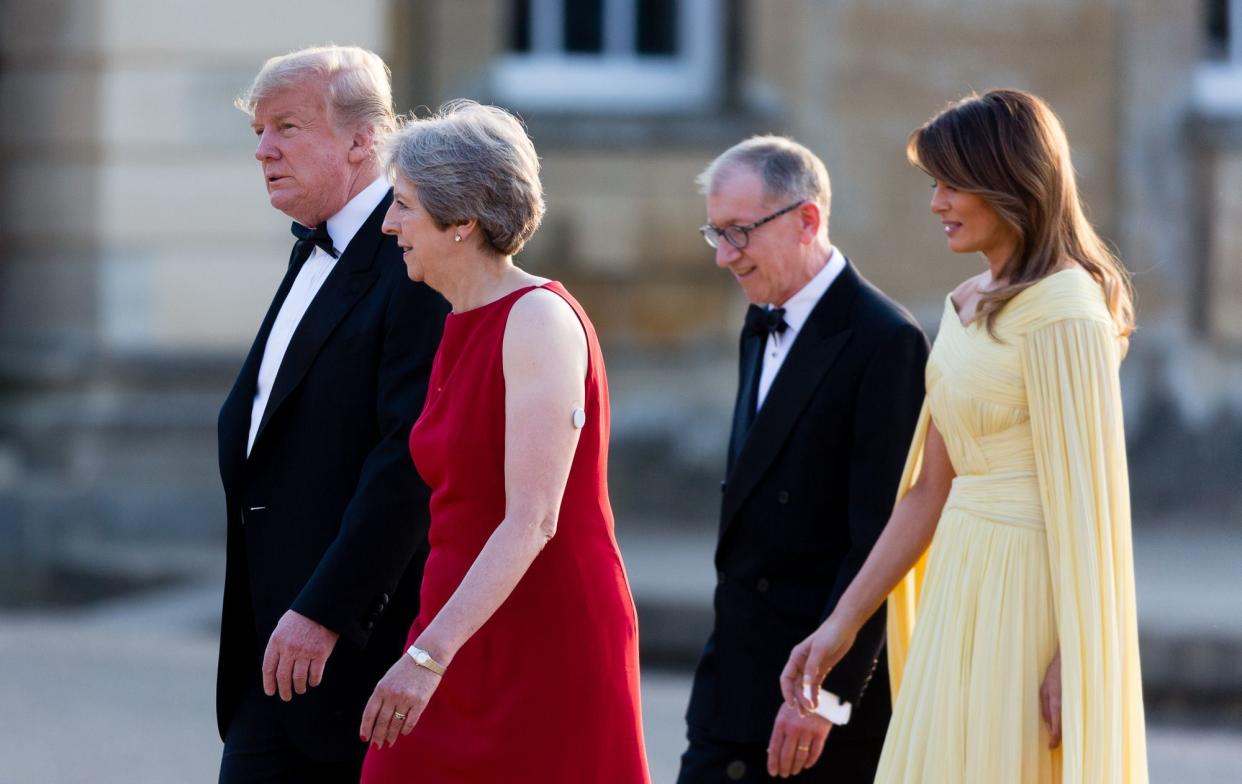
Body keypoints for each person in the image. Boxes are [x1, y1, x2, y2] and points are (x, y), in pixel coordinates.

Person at [781, 89, 1149, 783]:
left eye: (952, 184)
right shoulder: (965, 303)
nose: (936, 203)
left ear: (1008, 184)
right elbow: (928, 491)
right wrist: (842, 624)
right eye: (933, 183)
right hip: (962, 581)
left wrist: (1077, 657)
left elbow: (1094, 505)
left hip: (1031, 594)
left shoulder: (1067, 311)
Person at [355, 99, 651, 784]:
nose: (389, 223)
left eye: (403, 206)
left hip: (545, 633)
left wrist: (426, 657)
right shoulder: (458, 318)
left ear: (461, 222)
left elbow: (533, 519)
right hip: (462, 621)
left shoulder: (537, 318)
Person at [216, 45, 448, 782]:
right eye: (258, 130)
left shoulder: (411, 253)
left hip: (353, 653)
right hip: (274, 641)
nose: (263, 149)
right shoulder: (316, 248)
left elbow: (407, 457)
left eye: (286, 126)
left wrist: (327, 612)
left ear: (362, 140)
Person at [677, 136, 929, 783]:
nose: (724, 256)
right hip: (733, 675)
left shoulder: (886, 340)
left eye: (739, 233)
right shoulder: (760, 317)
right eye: (716, 233)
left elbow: (881, 541)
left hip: (816, 702)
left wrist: (828, 697)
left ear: (807, 220)